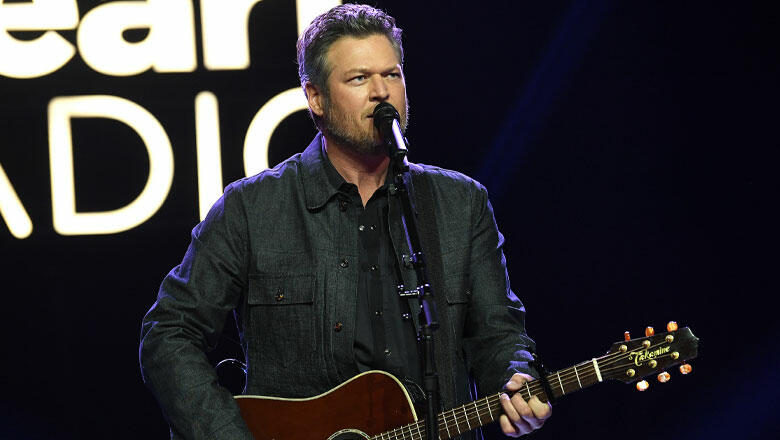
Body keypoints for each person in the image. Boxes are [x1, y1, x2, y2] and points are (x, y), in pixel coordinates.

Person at [140, 4, 551, 439]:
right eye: (359, 78)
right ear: (316, 98)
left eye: (392, 74)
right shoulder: (251, 208)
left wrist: (515, 379)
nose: (381, 92)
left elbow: (498, 334)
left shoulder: (460, 203)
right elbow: (169, 333)